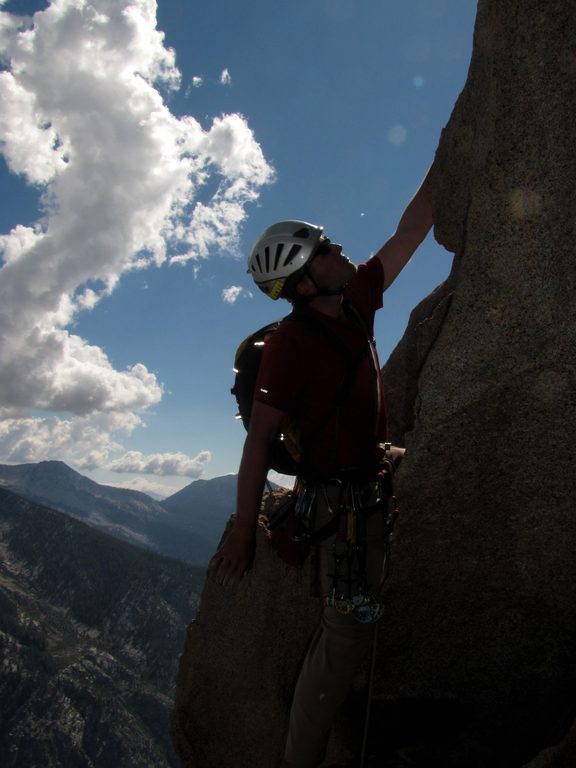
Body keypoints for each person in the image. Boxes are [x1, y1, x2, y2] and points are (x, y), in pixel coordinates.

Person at [208, 169, 433, 767]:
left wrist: (451, 144)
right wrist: (240, 529)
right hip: (342, 511)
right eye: (325, 251)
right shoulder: (291, 345)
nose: (340, 250)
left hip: (373, 480)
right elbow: (259, 441)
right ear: (305, 283)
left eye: (330, 244)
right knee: (346, 636)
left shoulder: (355, 300)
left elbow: (412, 229)